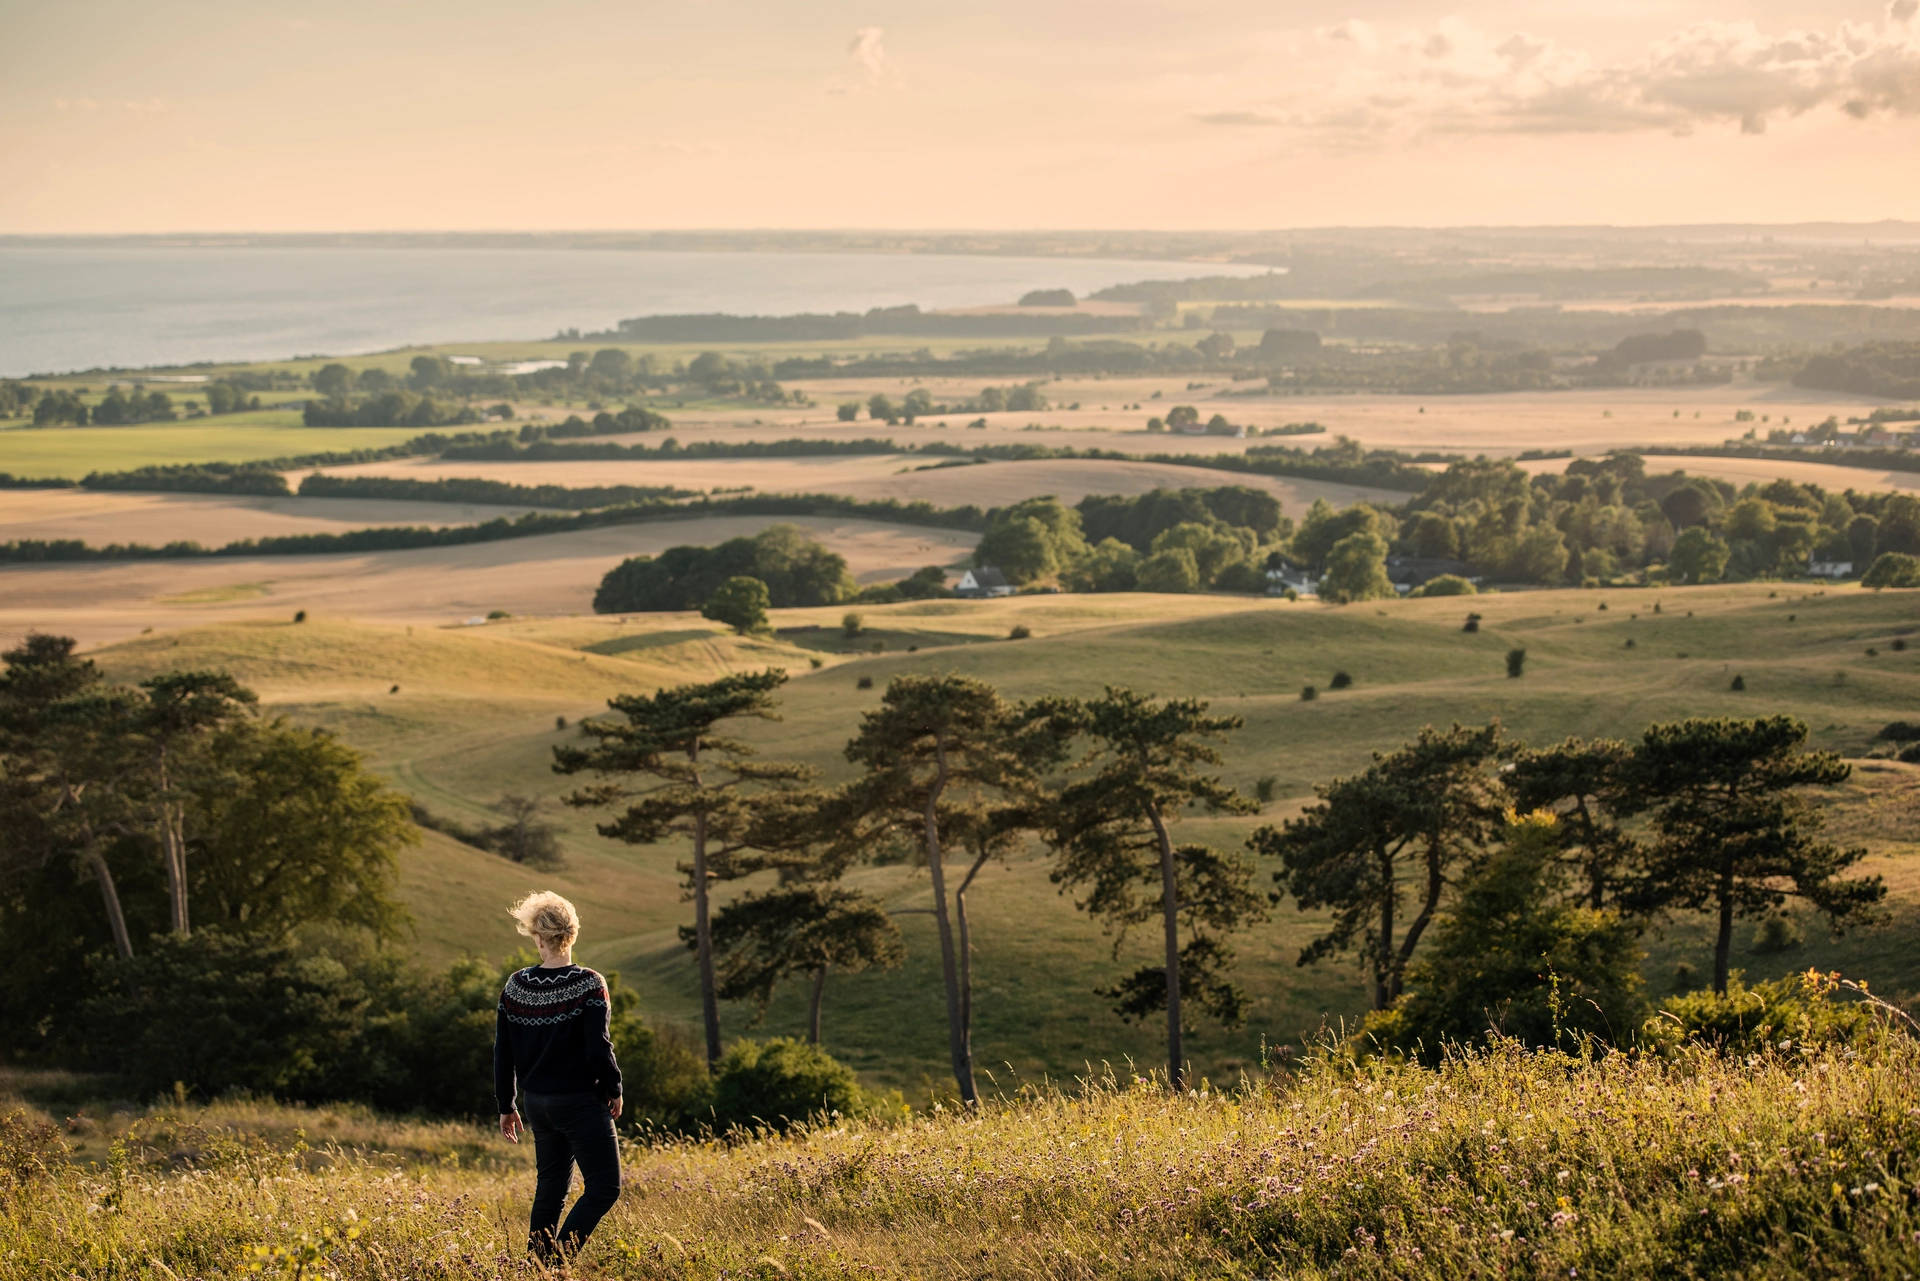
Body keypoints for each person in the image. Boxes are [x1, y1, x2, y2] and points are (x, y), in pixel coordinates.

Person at [494, 891, 623, 1261]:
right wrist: (614, 1088)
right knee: (604, 1188)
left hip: (536, 1104)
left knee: (550, 1188)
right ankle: (556, 1261)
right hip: (580, 1102)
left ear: (538, 937)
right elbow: (599, 1047)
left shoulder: (515, 985)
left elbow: (503, 1053)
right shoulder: (589, 983)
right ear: (573, 933)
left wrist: (507, 1105)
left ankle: (537, 1266)